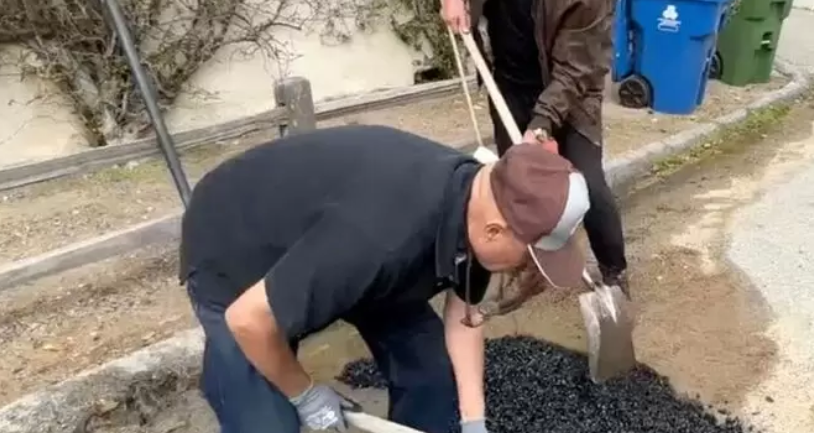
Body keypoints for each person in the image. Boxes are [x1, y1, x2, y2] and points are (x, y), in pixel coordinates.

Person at [178, 124, 591, 433]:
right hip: (237, 249)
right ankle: (229, 379)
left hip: (346, 253)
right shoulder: (381, 239)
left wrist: (473, 419)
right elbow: (249, 319)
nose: (526, 269)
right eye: (529, 256)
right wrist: (305, 394)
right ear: (495, 232)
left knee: (433, 375)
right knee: (268, 421)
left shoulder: (481, 203)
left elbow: (464, 315)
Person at [439, 0, 629, 297]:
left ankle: (615, 274)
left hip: (569, 88)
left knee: (588, 185)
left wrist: (541, 125)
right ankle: (527, 265)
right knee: (516, 187)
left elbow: (576, 70)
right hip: (507, 81)